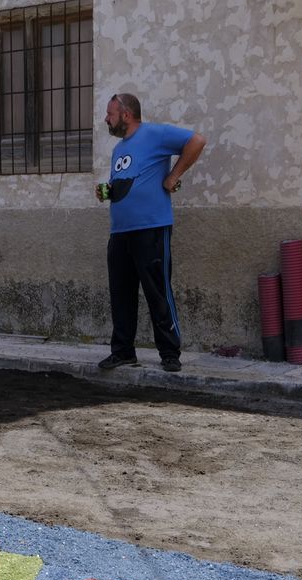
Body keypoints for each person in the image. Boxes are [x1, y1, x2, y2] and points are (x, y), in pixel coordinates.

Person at [96, 92, 205, 372]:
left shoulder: (155, 134)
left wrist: (173, 177)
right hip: (120, 232)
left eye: (110, 114)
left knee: (157, 291)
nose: (106, 119)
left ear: (126, 115)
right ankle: (122, 351)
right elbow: (126, 183)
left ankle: (170, 353)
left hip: (152, 228)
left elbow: (196, 141)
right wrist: (107, 191)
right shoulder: (119, 150)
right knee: (121, 293)